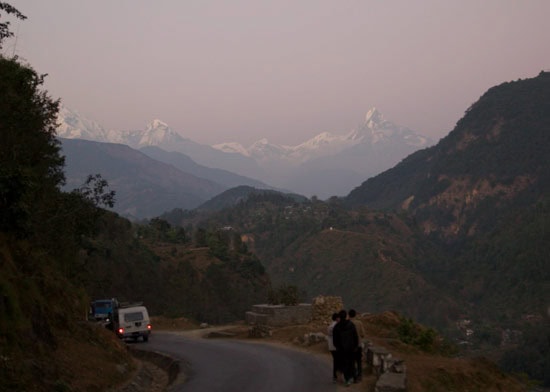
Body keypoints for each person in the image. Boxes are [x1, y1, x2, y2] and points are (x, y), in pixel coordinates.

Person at [332, 309, 358, 386]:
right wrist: (355, 346)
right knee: (351, 363)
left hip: (341, 350)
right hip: (351, 349)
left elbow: (334, 340)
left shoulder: (336, 327)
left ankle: (347, 379)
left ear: (339, 317)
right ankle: (352, 378)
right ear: (346, 316)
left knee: (344, 363)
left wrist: (337, 347)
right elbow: (355, 337)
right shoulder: (351, 325)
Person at [348, 309, 366, 382]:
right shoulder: (359, 323)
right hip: (358, 345)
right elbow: (363, 334)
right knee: (358, 361)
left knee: (351, 362)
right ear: (355, 315)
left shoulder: (347, 323)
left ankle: (353, 376)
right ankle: (359, 376)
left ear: (349, 315)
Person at [327, 312, 340, 383]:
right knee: (337, 361)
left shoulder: (330, 326)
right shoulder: (337, 326)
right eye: (339, 317)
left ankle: (335, 376)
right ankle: (336, 376)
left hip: (331, 346)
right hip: (336, 346)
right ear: (337, 318)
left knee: (336, 360)